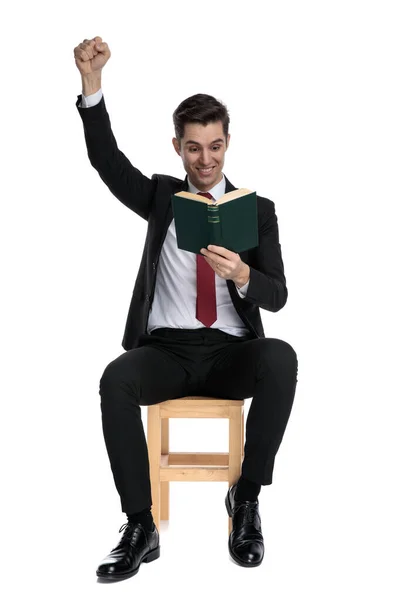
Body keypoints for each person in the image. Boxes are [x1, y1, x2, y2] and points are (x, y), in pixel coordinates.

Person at [74, 36, 298, 580]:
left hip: (229, 354)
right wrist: (92, 85)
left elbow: (279, 295)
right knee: (115, 379)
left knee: (283, 357)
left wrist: (244, 275)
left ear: (228, 144)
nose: (206, 159)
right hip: (166, 353)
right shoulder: (161, 199)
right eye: (194, 148)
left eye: (215, 146)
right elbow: (107, 161)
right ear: (177, 147)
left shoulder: (257, 211)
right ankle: (139, 524)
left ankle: (244, 501)